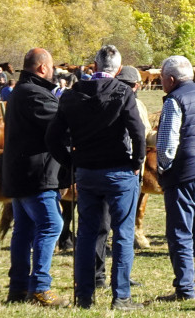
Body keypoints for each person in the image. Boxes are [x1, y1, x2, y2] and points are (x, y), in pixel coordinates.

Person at [47, 45, 146, 311]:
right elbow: (137, 132)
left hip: (87, 172)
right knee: (123, 234)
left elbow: (53, 137)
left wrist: (71, 162)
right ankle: (121, 297)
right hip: (119, 172)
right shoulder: (124, 93)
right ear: (119, 67)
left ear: (94, 65)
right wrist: (136, 162)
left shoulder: (72, 95)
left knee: (88, 233)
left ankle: (85, 296)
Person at [3, 48, 64, 307]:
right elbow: (60, 123)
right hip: (36, 174)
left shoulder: (22, 91)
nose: (52, 72)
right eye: (50, 67)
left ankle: (18, 287)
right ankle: (39, 287)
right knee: (52, 225)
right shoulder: (34, 94)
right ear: (42, 68)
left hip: (20, 174)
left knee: (24, 230)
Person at [155, 55, 195, 302]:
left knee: (180, 231)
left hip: (184, 173)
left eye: (162, 79)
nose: (161, 83)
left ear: (170, 79)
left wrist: (164, 168)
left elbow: (167, 144)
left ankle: (185, 289)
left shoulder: (174, 99)